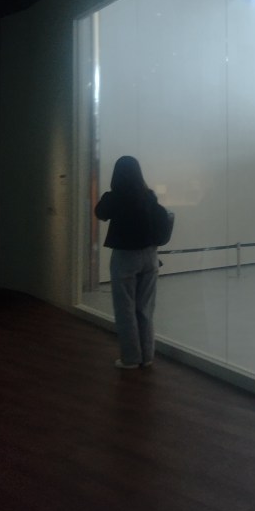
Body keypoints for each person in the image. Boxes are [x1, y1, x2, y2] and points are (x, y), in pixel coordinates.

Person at [95, 155, 161, 370]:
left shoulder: (115, 197)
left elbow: (100, 213)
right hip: (150, 256)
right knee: (145, 309)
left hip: (125, 257)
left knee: (125, 310)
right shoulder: (149, 196)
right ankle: (147, 356)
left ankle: (131, 358)